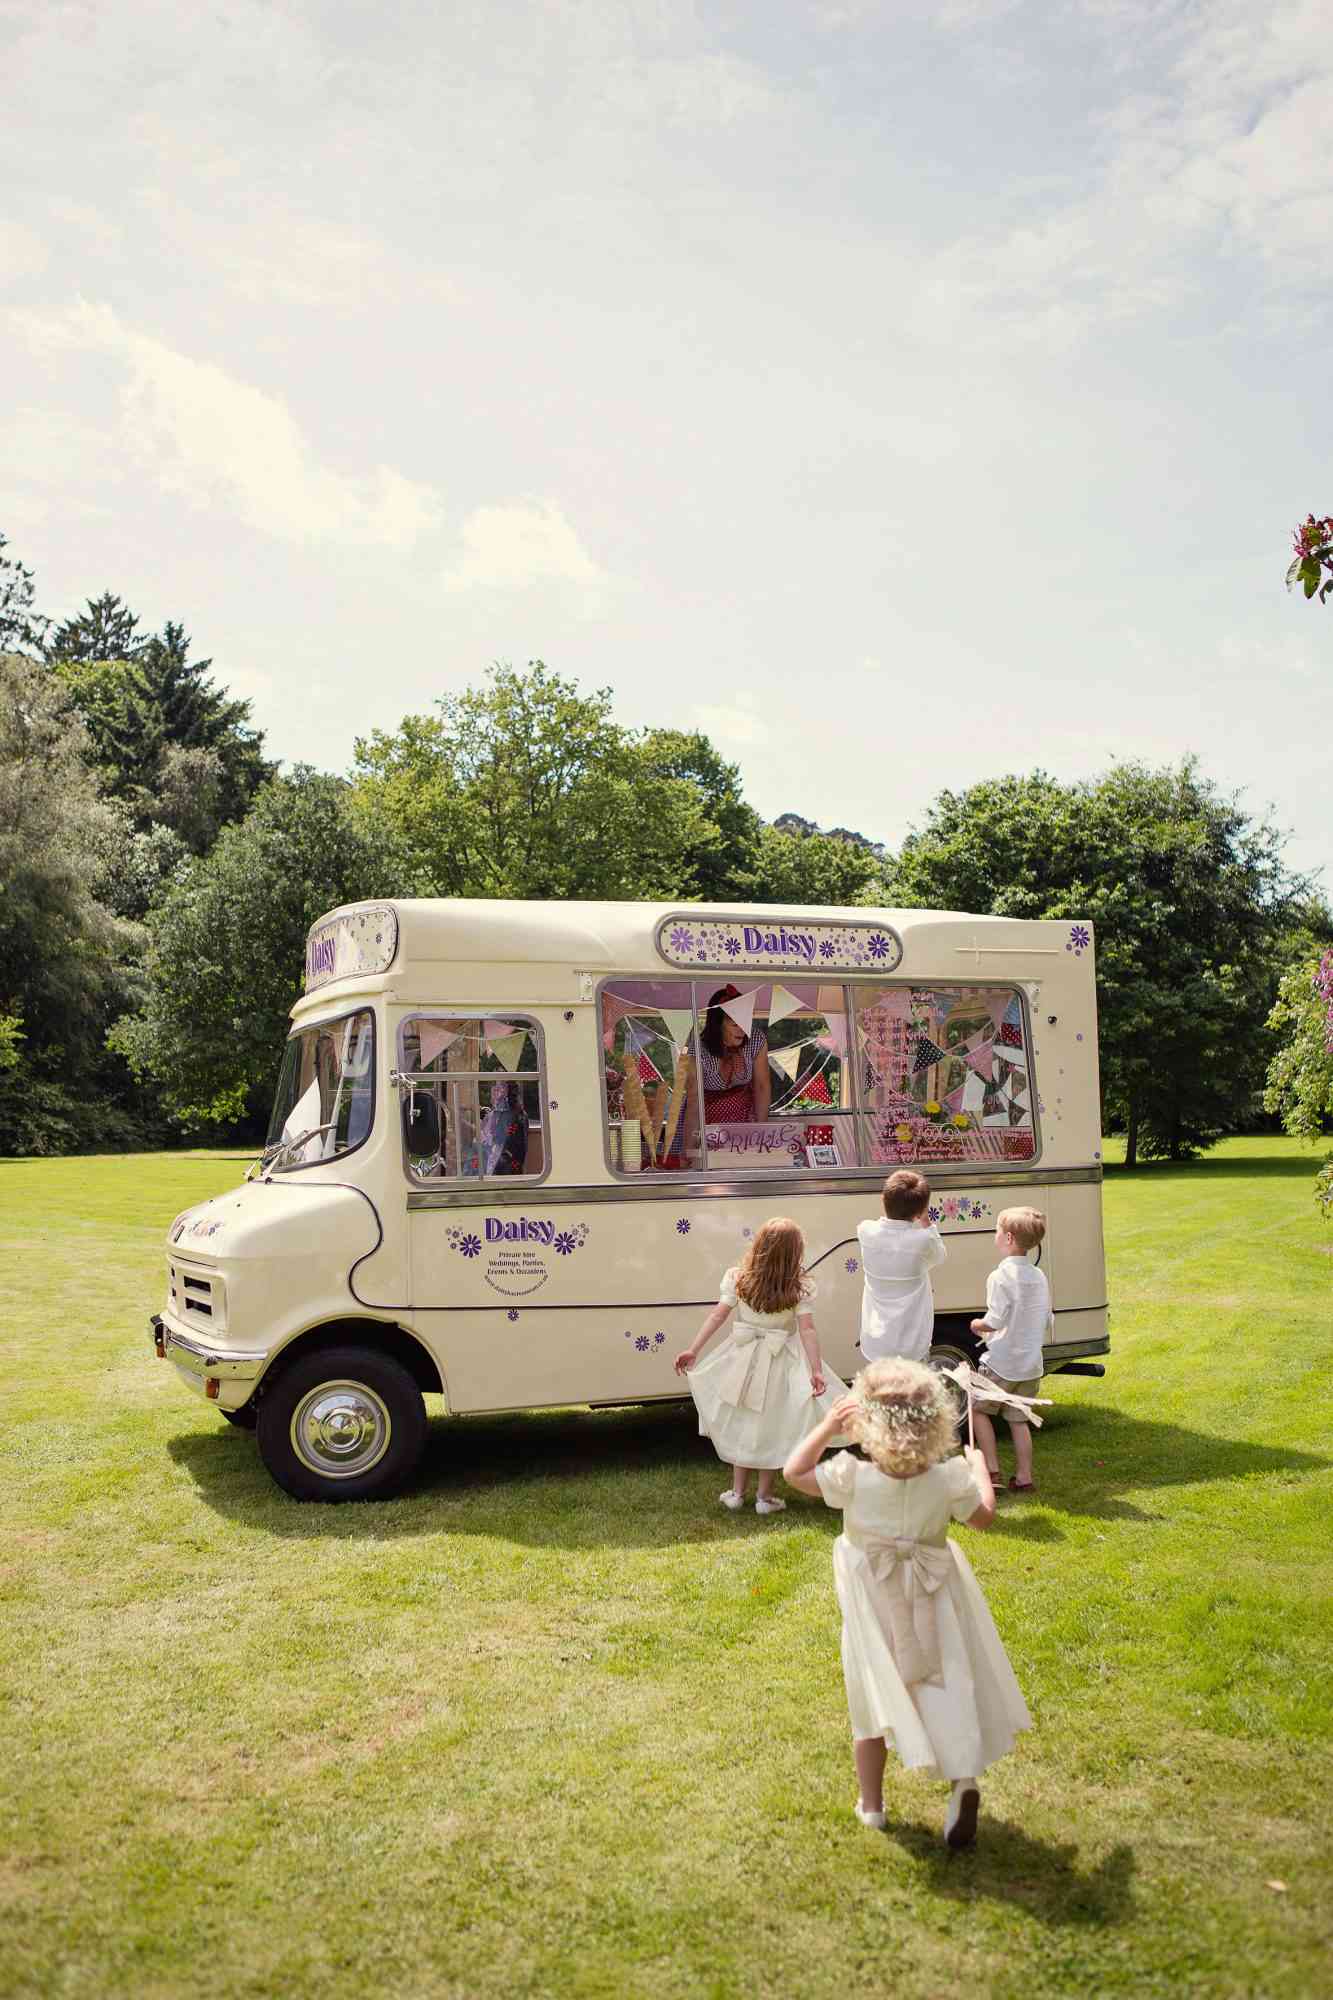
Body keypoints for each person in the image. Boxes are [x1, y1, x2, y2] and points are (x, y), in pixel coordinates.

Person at [784, 1359, 1030, 1847]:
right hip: (935, 1596)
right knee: (946, 1680)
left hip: (873, 1603)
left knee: (872, 1692)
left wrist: (828, 1426)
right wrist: (980, 1471)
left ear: (865, 1422)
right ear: (935, 1422)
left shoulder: (853, 1476)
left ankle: (872, 1806)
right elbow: (982, 1518)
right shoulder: (948, 1478)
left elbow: (794, 1472)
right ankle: (962, 1781)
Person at [674, 1217, 846, 1514]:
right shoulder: (799, 1287)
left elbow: (718, 1316)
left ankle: (737, 1493)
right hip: (780, 1360)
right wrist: (815, 1369)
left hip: (742, 1358)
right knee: (771, 1424)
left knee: (742, 1419)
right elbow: (807, 1330)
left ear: (759, 1246)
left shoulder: (738, 1278)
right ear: (795, 1252)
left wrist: (694, 1349)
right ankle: (764, 1498)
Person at [969, 1208, 1052, 1495]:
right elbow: (1047, 1318)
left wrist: (977, 1324)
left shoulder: (1000, 1276)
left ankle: (992, 1472)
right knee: (1018, 1420)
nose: (995, 1235)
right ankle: (1024, 1477)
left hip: (1001, 1364)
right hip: (1030, 1366)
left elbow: (994, 1320)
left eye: (997, 1230)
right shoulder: (1039, 1276)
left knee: (978, 1410)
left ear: (1008, 1238)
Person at [856, 1169, 947, 1363]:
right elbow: (939, 1256)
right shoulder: (923, 1240)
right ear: (920, 1211)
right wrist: (926, 1221)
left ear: (883, 1199)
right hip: (912, 1345)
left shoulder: (865, 1231)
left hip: (876, 1343)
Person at [697, 984, 771, 1124]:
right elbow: (694, 1100)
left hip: (744, 1119)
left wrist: (760, 1128)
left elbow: (762, 1086)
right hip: (706, 1122)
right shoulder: (699, 1048)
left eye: (745, 1022)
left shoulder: (756, 1039)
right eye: (735, 1025)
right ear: (718, 1025)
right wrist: (695, 1136)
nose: (742, 1029)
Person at [482, 1082, 529, 1175]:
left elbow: (514, 1142)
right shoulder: (496, 1113)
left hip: (506, 1165)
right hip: (499, 1162)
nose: (494, 1096)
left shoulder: (516, 1116)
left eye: (498, 1091)